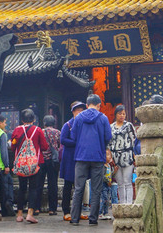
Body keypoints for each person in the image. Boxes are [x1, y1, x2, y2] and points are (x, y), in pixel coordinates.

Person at [70, 94, 112, 226]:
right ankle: (93, 219)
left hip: (81, 156)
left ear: (87, 105)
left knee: (78, 188)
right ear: (99, 105)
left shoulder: (79, 118)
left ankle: (74, 218)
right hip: (98, 157)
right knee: (96, 188)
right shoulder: (103, 118)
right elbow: (108, 136)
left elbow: (73, 136)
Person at [11, 108, 48, 224]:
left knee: (22, 188)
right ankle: (30, 214)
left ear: (21, 119)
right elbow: (45, 147)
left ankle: (19, 214)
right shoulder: (38, 130)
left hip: (21, 164)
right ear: (34, 119)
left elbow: (13, 146)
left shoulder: (16, 130)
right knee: (33, 188)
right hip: (35, 164)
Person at [60, 101, 86, 222]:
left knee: (79, 186)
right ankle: (66, 211)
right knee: (68, 185)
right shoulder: (68, 125)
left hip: (80, 157)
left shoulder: (84, 125)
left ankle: (77, 211)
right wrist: (76, 143)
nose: (80, 113)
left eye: (82, 111)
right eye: (78, 111)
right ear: (73, 112)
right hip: (69, 159)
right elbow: (63, 139)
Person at [108, 104, 136, 204]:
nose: (122, 116)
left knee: (127, 181)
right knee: (120, 183)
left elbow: (134, 141)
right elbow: (109, 142)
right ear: (116, 114)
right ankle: (122, 203)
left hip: (127, 156)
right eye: (120, 113)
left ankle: (129, 204)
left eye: (124, 114)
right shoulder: (111, 127)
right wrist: (109, 157)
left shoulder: (129, 126)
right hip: (115, 158)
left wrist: (134, 155)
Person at [37, 115, 60, 216]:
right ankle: (52, 209)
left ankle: (37, 208)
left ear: (44, 122)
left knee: (38, 184)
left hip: (41, 160)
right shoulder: (57, 132)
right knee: (53, 184)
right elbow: (60, 145)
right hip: (53, 161)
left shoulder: (40, 131)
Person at [0, 115, 14, 217]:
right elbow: (4, 151)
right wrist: (6, 165)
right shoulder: (2, 134)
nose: (5, 124)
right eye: (4, 122)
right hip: (1, 164)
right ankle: (7, 207)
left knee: (2, 187)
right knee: (7, 186)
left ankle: (5, 208)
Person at [99, 149, 117, 220]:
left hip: (108, 185)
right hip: (104, 185)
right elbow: (103, 176)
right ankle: (100, 213)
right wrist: (107, 181)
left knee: (107, 200)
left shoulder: (109, 165)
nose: (110, 157)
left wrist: (114, 171)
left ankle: (105, 213)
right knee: (104, 199)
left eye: (110, 155)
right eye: (107, 155)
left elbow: (110, 175)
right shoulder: (103, 166)